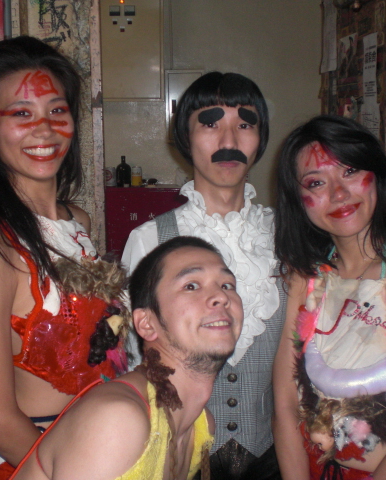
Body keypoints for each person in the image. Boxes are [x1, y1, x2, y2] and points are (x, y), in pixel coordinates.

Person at [0, 36, 128, 480]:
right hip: (33, 459)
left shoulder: (78, 220)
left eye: (56, 110)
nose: (44, 130)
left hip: (97, 445)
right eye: (21, 114)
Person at [272, 115, 386, 480]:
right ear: (299, 200)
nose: (339, 194)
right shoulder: (304, 279)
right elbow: (285, 407)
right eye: (316, 182)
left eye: (350, 171)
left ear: (377, 173)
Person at [122, 71, 285, 479]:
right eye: (210, 124)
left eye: (245, 124)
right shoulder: (148, 240)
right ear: (185, 136)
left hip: (274, 457)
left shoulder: (289, 238)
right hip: (176, 458)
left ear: (261, 138)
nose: (229, 140)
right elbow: (131, 359)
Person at [11, 236, 244, 480]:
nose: (221, 297)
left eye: (227, 285)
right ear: (146, 324)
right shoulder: (117, 420)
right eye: (191, 286)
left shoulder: (201, 425)